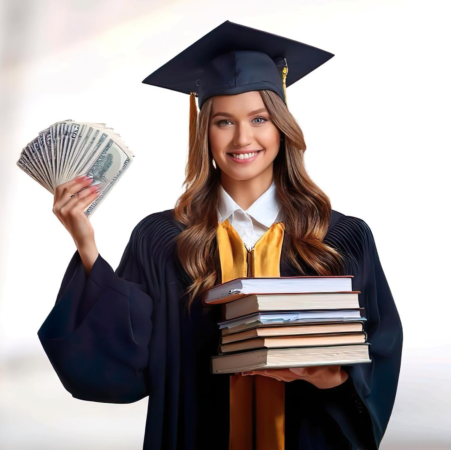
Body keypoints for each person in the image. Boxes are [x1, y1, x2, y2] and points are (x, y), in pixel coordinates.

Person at [38, 20, 402, 450]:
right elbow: (123, 368)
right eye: (224, 121)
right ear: (203, 131)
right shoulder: (163, 240)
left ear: (282, 127)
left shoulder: (339, 238)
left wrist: (327, 377)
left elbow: (374, 361)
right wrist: (86, 246)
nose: (243, 138)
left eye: (260, 118)